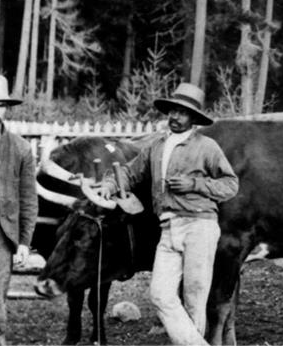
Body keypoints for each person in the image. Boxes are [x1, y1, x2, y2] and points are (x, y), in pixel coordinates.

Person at [101, 82, 239, 346]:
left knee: (194, 299)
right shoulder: (157, 145)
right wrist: (110, 184)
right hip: (167, 227)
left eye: (183, 112)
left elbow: (231, 185)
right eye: (173, 111)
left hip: (199, 226)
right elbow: (131, 173)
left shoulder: (207, 147)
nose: (175, 117)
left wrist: (195, 185)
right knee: (160, 295)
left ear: (193, 118)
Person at [0, 75, 36, 346]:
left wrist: (24, 242)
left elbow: (28, 199)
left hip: (2, 235)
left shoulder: (20, 148)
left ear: (6, 108)